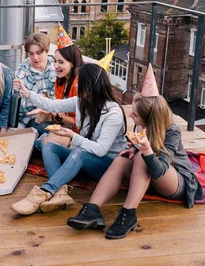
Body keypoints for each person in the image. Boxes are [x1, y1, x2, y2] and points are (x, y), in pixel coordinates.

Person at [67, 64, 203, 239]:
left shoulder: (171, 131)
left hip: (176, 182)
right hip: (150, 172)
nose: (131, 116)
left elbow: (159, 170)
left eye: (135, 114)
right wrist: (132, 148)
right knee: (120, 159)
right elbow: (137, 148)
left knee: (141, 158)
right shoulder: (141, 125)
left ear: (150, 118)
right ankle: (92, 209)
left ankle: (128, 213)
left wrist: (144, 149)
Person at [10, 62, 127, 215]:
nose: (77, 86)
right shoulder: (80, 102)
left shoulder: (113, 114)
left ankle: (44, 192)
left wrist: (73, 136)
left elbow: (101, 149)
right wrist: (26, 93)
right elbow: (51, 105)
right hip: (85, 158)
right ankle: (60, 194)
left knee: (80, 152)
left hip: (108, 167)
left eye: (81, 83)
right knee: (49, 145)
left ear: (92, 86)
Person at [29, 24, 83, 147]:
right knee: (36, 132)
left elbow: (78, 123)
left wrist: (53, 113)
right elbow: (59, 113)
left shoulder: (78, 85)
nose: (56, 66)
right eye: (55, 61)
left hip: (79, 134)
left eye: (61, 62)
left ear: (73, 64)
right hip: (63, 127)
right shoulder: (60, 82)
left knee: (47, 143)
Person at [14, 33, 57, 134]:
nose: (35, 58)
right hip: (30, 118)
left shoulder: (56, 67)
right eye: (31, 54)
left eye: (39, 53)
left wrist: (44, 105)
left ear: (47, 51)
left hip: (56, 115)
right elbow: (18, 103)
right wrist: (40, 103)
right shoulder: (20, 72)